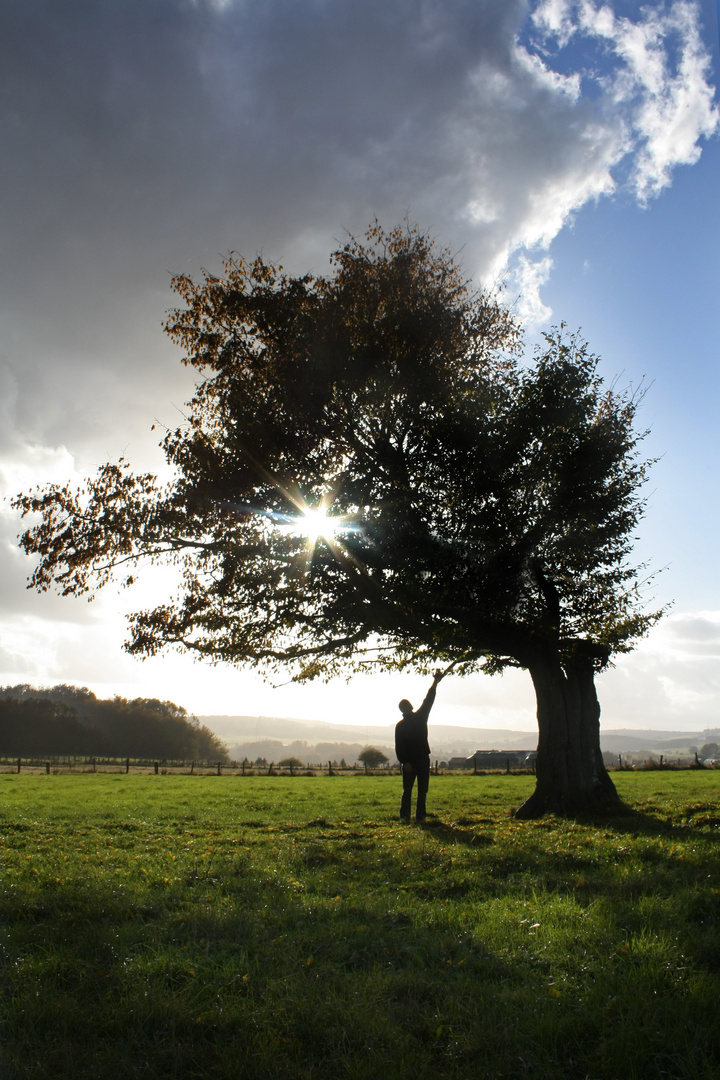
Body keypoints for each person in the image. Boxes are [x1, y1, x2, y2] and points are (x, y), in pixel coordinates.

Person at [395, 669, 445, 822]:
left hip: (413, 761)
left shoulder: (400, 725)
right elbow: (429, 700)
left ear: (402, 710)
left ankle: (406, 816)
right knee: (421, 791)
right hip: (422, 759)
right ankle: (420, 817)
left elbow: (399, 747)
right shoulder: (420, 717)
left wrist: (405, 762)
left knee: (408, 791)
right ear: (410, 707)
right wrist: (435, 682)